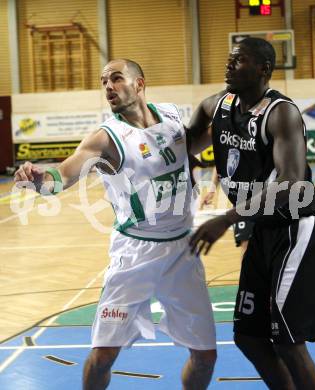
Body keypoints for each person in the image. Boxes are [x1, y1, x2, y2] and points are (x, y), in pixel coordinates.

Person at [14, 59, 217, 390]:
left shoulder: (171, 114)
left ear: (139, 83)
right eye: (104, 81)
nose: (108, 86)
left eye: (116, 78)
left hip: (183, 251)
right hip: (135, 254)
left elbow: (189, 147)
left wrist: (228, 131)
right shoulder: (106, 139)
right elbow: (63, 174)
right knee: (105, 353)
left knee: (206, 357)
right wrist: (39, 179)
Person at [186, 37, 315, 389]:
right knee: (249, 337)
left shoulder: (281, 112)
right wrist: (186, 156)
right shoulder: (218, 105)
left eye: (239, 60)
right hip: (263, 228)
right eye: (229, 59)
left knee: (287, 342)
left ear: (264, 69)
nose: (229, 65)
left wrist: (227, 218)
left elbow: (291, 184)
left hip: (299, 225)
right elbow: (190, 135)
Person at [200, 167, 253, 257]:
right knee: (246, 243)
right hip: (242, 198)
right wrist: (212, 191)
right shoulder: (224, 154)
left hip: (263, 193)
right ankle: (247, 271)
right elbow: (218, 165)